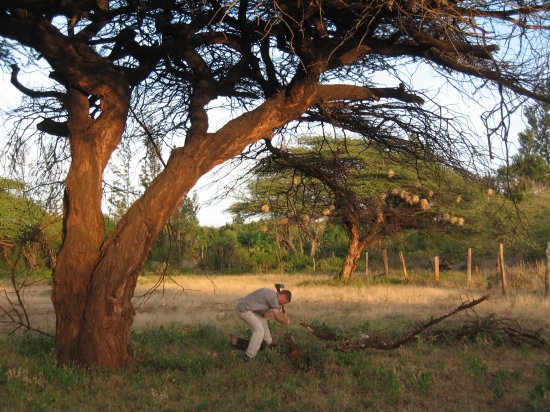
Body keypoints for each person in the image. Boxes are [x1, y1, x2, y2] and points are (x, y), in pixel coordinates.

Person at [235, 287, 292, 359]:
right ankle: (249, 356)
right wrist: (285, 322)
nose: (283, 304)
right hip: (244, 310)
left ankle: (269, 343)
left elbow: (265, 315)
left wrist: (277, 311)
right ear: (282, 296)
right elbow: (277, 318)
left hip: (251, 310)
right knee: (259, 330)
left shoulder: (273, 297)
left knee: (263, 320)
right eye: (284, 302)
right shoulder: (273, 298)